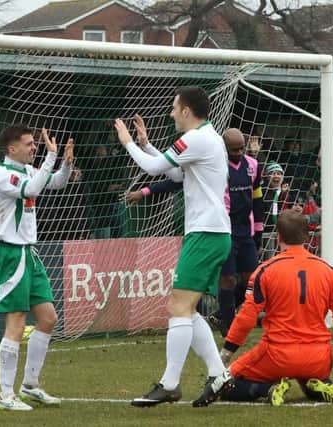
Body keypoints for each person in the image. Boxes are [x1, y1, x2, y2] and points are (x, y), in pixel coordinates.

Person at [114, 86, 232, 407]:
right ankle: (218, 373)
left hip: (206, 233)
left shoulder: (196, 138)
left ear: (186, 111)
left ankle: (170, 383)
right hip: (211, 232)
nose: (170, 113)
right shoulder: (208, 137)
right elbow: (177, 173)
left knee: (177, 307)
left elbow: (153, 170)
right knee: (186, 308)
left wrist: (127, 143)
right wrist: (147, 144)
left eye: (173, 107)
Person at [192, 210, 333, 407]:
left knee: (227, 387)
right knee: (310, 378)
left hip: (278, 355)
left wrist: (226, 354)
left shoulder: (266, 270)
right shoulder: (327, 270)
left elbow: (247, 317)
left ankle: (268, 389)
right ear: (307, 235)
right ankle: (321, 386)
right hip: (319, 357)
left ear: (278, 236)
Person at [125, 127, 264, 336]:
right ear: (224, 149)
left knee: (253, 280)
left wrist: (258, 228)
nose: (240, 152)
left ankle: (219, 315)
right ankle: (228, 328)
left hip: (246, 231)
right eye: (234, 149)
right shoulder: (215, 167)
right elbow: (175, 180)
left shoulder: (253, 166)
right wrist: (146, 191)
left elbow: (257, 198)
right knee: (227, 280)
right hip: (223, 229)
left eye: (242, 148)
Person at [0, 124, 75, 411]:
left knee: (48, 318)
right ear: (12, 148)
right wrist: (51, 157)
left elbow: (56, 182)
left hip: (29, 252)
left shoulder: (26, 170)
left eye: (35, 144)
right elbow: (34, 188)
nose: (34, 147)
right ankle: (5, 396)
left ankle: (30, 386)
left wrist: (65, 163)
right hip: (10, 254)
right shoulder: (3, 175)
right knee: (15, 323)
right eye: (29, 144)